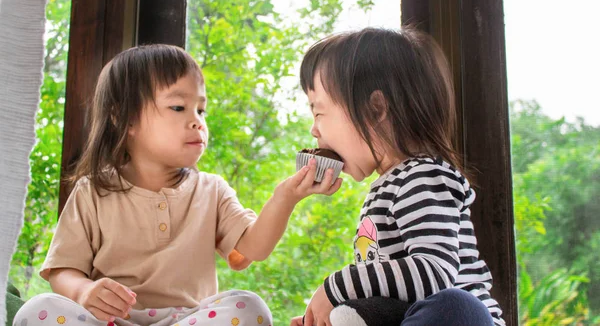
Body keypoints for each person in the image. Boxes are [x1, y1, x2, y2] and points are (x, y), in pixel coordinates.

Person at [13, 44, 341, 326]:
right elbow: (62, 270)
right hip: (111, 321)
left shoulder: (212, 190)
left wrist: (285, 197)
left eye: (201, 109)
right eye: (178, 107)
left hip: (189, 318)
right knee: (38, 310)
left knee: (249, 308)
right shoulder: (92, 191)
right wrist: (84, 292)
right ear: (124, 118)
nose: (198, 120)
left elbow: (253, 249)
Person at [290, 27, 505, 326]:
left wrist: (335, 288)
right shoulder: (385, 187)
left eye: (319, 113)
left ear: (375, 109)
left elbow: (433, 274)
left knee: (455, 305)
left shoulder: (423, 175)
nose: (314, 130)